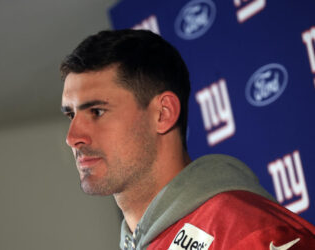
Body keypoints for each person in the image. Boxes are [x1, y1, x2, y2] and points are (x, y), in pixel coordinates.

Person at [60, 29, 315, 249]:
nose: (73, 138)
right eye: (71, 115)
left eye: (97, 112)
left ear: (163, 114)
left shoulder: (248, 233)